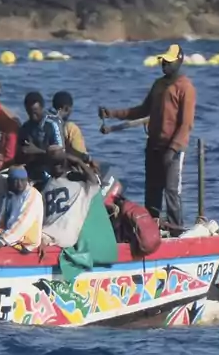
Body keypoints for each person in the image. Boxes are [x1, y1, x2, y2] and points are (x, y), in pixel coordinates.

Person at [99, 43, 196, 228]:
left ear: (179, 61)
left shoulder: (186, 88)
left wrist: (172, 149)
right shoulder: (159, 84)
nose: (165, 65)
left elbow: (186, 124)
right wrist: (112, 113)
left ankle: (176, 227)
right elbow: (143, 109)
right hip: (154, 146)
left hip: (172, 149)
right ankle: (151, 226)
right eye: (163, 61)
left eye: (169, 62)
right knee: (152, 189)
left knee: (171, 190)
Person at [41, 157, 103, 248]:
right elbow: (94, 181)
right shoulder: (83, 187)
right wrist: (79, 162)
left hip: (46, 235)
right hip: (63, 238)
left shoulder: (46, 187)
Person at [17, 91, 63, 185]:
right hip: (31, 170)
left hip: (50, 171)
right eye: (29, 113)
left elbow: (60, 155)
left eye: (35, 112)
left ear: (41, 108)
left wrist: (37, 151)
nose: (33, 116)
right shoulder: (25, 127)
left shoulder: (52, 124)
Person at [0, 167, 44, 252]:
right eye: (15, 180)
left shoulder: (33, 195)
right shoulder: (9, 196)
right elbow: (2, 220)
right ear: (10, 181)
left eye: (22, 180)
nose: (19, 184)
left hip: (26, 247)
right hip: (11, 243)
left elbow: (24, 221)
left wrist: (4, 240)